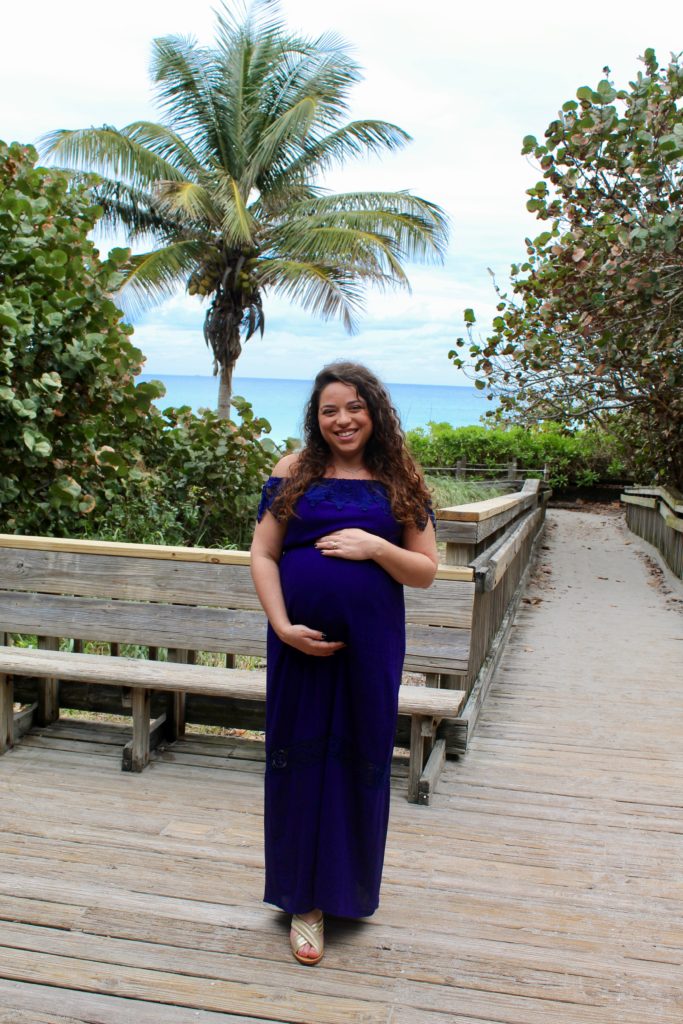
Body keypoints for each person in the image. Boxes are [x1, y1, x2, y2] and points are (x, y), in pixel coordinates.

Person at [250, 361, 438, 966]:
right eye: (330, 410)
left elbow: (426, 571)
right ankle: (302, 901)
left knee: (359, 758)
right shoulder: (294, 470)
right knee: (299, 759)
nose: (343, 420)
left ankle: (345, 891)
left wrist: (375, 546)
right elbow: (263, 552)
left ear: (374, 411)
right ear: (317, 417)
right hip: (298, 642)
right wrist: (282, 626)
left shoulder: (401, 477)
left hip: (372, 645)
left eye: (353, 407)